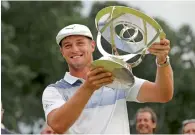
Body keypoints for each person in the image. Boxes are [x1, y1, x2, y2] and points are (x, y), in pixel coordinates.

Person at [42, 24, 174, 134]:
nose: (75, 49)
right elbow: (58, 125)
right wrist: (89, 87)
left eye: (80, 43)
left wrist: (162, 60)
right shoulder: (55, 90)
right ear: (62, 52)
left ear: (92, 46)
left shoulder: (116, 77)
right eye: (67, 46)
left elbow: (163, 94)